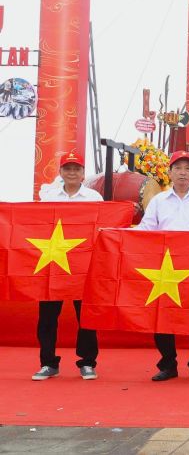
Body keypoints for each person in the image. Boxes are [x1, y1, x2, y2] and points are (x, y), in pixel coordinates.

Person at [136, 151, 189, 382]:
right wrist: (117, 234)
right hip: (164, 266)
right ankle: (168, 364)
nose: (182, 173)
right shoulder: (158, 201)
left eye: (187, 168)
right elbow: (146, 229)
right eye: (178, 168)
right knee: (162, 314)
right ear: (170, 172)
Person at [33, 150, 103, 381]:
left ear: (83, 173)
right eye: (68, 168)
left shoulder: (94, 197)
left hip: (83, 267)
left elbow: (103, 229)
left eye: (77, 169)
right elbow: (36, 224)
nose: (72, 172)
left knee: (86, 316)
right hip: (52, 265)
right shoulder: (49, 197)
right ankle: (48, 363)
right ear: (61, 172)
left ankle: (87, 362)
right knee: (47, 317)